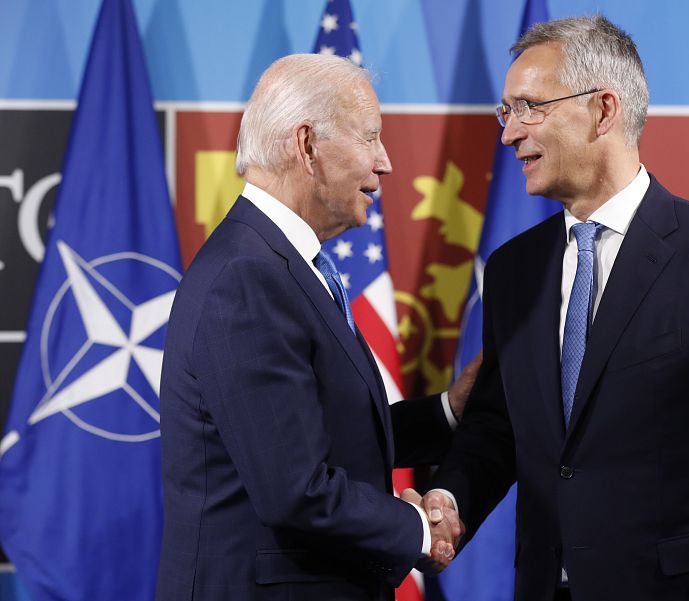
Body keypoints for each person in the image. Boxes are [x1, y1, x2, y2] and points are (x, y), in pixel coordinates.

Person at [421, 15, 689, 601]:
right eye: (506, 112)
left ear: (603, 109)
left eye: (528, 107)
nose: (509, 134)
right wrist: (451, 499)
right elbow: (498, 425)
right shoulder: (513, 269)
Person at [156, 54, 474, 601]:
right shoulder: (247, 278)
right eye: (370, 139)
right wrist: (421, 530)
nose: (387, 162)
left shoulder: (278, 263)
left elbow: (315, 433)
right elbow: (295, 488)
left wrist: (446, 413)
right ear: (306, 145)